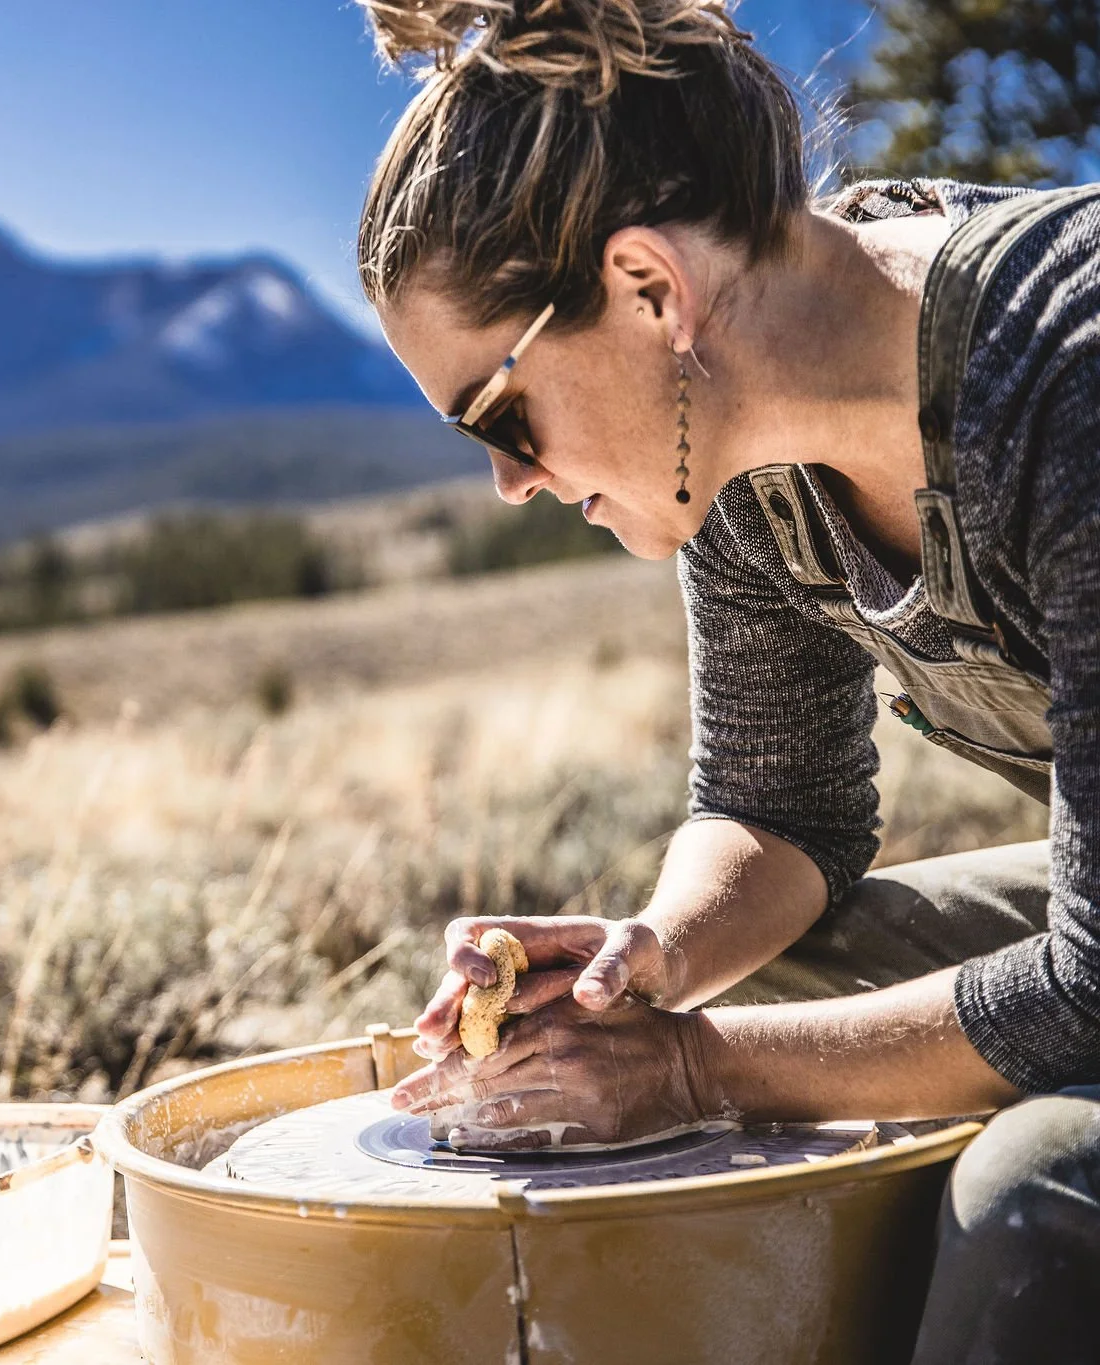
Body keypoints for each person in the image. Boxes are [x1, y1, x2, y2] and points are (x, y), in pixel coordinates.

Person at [352, 2, 1100, 1360]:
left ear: (650, 291)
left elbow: (1095, 985)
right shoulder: (742, 460)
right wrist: (652, 961)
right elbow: (782, 806)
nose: (510, 481)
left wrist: (694, 1072)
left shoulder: (1065, 373)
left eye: (498, 413)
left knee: (1038, 1191)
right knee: (758, 982)